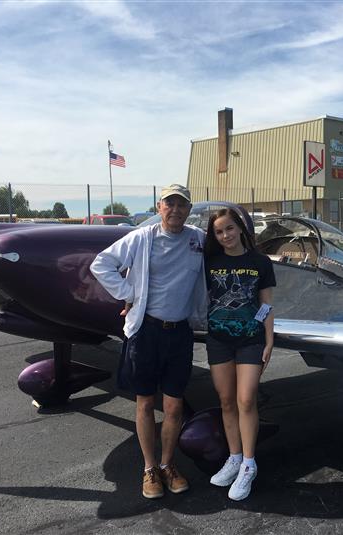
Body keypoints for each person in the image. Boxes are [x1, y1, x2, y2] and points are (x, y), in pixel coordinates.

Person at [89, 184, 206, 500]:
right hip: (146, 332)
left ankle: (168, 465)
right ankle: (149, 469)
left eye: (182, 205)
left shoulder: (198, 239)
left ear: (189, 210)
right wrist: (130, 294)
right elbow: (101, 264)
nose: (176, 210)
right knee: (144, 402)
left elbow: (223, 261)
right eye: (170, 204)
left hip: (180, 332)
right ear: (160, 206)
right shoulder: (142, 238)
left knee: (174, 404)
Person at [203, 208, 276, 501]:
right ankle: (233, 457)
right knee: (225, 401)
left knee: (246, 399)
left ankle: (248, 463)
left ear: (241, 229)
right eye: (219, 232)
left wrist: (269, 339)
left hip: (251, 339)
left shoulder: (260, 262)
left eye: (230, 229)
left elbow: (266, 303)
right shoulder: (210, 262)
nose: (225, 236)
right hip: (218, 339)